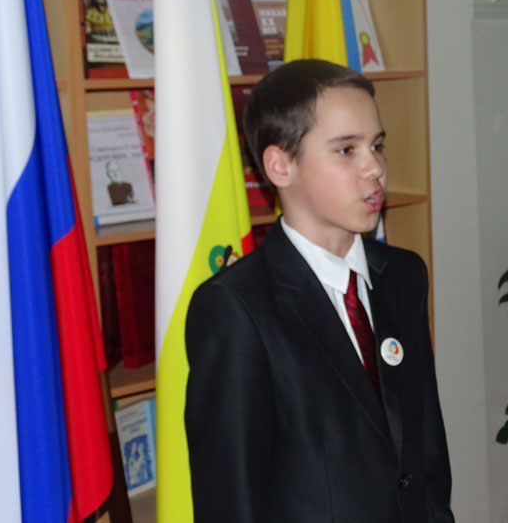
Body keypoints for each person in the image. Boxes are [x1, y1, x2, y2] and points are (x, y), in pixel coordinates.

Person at [184, 59, 454, 523]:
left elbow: (425, 452)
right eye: (346, 150)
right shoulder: (236, 308)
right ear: (280, 166)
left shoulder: (403, 276)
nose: (375, 168)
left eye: (377, 146)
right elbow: (230, 497)